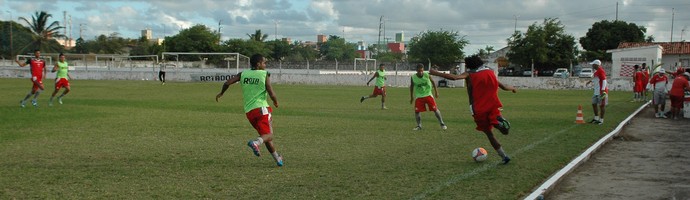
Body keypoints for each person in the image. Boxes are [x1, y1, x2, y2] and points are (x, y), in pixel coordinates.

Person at [429, 55, 516, 164]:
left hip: (478, 108)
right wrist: (512, 88)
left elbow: (455, 77)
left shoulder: (470, 74)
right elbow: (502, 86)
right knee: (502, 130)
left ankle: (504, 156)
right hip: (493, 105)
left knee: (489, 134)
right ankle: (499, 123)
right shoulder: (489, 72)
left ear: (469, 65)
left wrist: (435, 73)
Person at [215, 54, 283, 167]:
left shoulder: (243, 74)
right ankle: (255, 143)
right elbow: (271, 92)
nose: (265, 65)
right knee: (269, 135)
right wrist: (275, 101)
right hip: (262, 109)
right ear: (258, 64)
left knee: (264, 136)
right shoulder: (264, 74)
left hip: (249, 112)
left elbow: (227, 82)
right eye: (264, 63)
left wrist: (221, 93)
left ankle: (277, 158)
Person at [409, 63, 446, 131]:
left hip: (428, 95)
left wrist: (436, 92)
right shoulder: (413, 77)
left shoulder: (426, 75)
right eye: (419, 71)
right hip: (419, 96)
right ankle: (419, 126)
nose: (420, 72)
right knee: (417, 111)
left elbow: (433, 82)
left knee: (435, 109)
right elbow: (411, 87)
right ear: (416, 70)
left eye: (422, 71)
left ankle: (442, 123)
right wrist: (411, 97)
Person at [585, 59, 609, 124]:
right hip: (596, 91)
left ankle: (601, 120)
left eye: (593, 64)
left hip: (601, 91)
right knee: (594, 104)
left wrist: (603, 90)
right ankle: (596, 118)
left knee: (602, 105)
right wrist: (590, 81)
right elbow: (596, 79)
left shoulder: (601, 71)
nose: (592, 65)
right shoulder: (596, 72)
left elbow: (604, 80)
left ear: (596, 65)